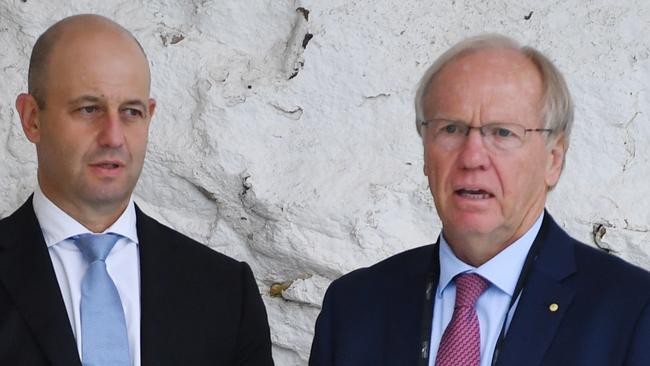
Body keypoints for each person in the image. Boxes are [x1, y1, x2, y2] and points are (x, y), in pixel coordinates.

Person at [309, 34, 650, 366]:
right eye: (451, 129)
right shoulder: (354, 306)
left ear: (553, 159)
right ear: (425, 153)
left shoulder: (633, 312)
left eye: (503, 132)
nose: (472, 157)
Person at [0, 14, 274, 366]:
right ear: (31, 118)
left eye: (131, 111)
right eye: (88, 109)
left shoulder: (225, 292)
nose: (113, 136)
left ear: (150, 115)